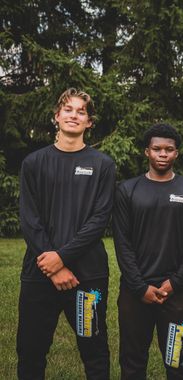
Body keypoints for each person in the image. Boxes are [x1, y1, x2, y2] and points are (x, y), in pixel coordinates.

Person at [17, 88, 115, 379]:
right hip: (39, 273)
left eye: (81, 111)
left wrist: (62, 258)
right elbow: (29, 218)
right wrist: (53, 266)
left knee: (95, 350)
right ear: (56, 117)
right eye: (68, 109)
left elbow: (99, 219)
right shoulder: (33, 163)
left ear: (89, 122)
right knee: (31, 351)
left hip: (87, 276)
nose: (74, 115)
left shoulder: (103, 165)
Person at [112, 124, 183, 379]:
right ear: (146, 152)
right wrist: (139, 286)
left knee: (177, 360)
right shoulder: (127, 190)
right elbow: (122, 243)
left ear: (177, 153)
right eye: (157, 149)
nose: (162, 154)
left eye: (169, 149)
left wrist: (175, 283)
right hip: (135, 293)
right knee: (132, 361)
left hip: (177, 294)